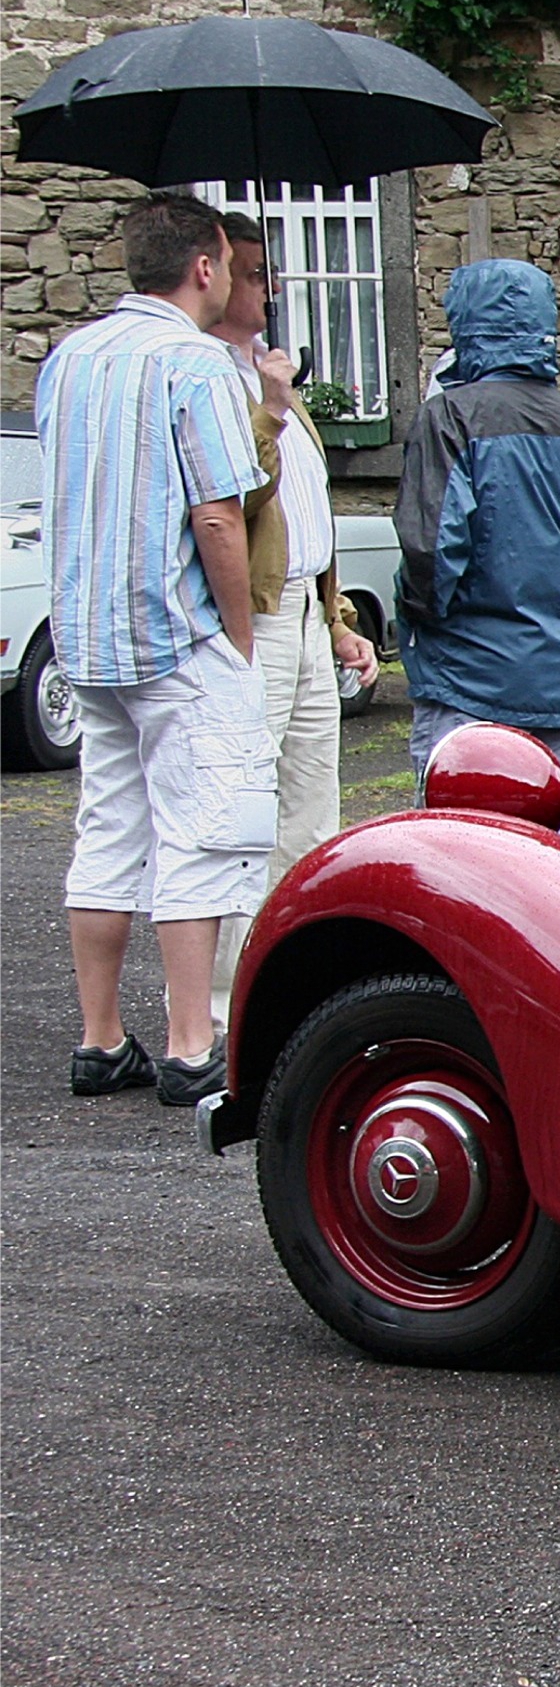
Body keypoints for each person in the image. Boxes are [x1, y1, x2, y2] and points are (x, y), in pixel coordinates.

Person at [38, 191, 274, 1106]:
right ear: (207, 266)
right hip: (176, 633)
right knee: (202, 837)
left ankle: (101, 1041)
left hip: (88, 636)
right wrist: (239, 634)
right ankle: (190, 1045)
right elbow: (217, 511)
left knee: (108, 829)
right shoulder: (198, 364)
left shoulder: (71, 358)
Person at [183, 215, 381, 1035]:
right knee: (240, 803)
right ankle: (226, 1002)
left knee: (311, 802)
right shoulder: (209, 378)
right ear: (216, 277)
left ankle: (295, 976)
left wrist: (335, 618)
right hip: (254, 615)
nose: (270, 289)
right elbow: (236, 502)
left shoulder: (270, 380)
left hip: (300, 606)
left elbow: (306, 515)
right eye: (256, 273)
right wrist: (267, 409)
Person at [395, 259, 560, 782]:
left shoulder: (449, 416)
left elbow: (431, 555)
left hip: (468, 679)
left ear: (464, 326)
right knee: (541, 852)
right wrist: (552, 610)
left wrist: (422, 623)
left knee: (456, 849)